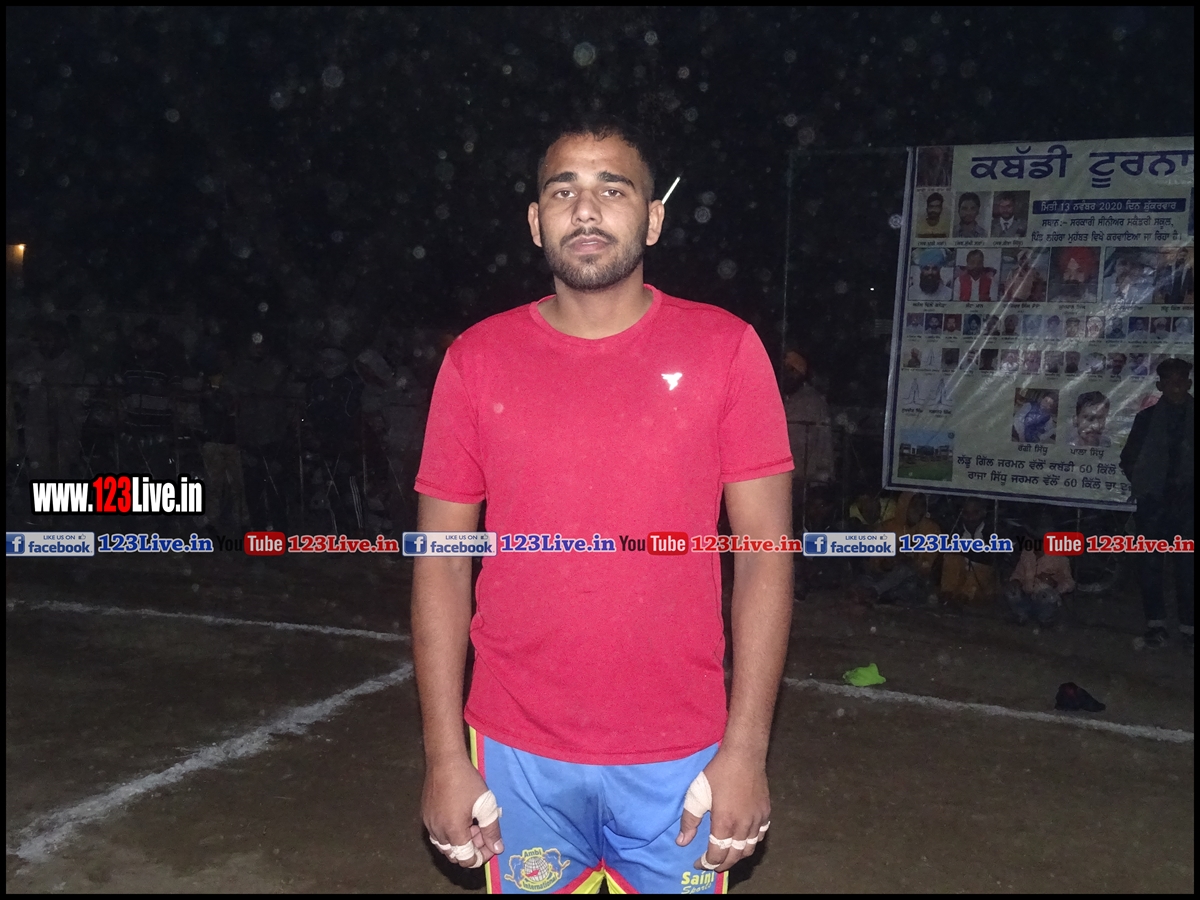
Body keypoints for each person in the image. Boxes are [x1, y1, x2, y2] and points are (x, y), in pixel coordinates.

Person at [414, 116, 793, 892]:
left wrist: (747, 749)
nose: (585, 209)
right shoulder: (475, 360)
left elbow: (765, 558)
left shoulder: (725, 350)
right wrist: (444, 755)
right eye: (564, 191)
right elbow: (441, 565)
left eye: (612, 190)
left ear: (653, 219)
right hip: (516, 749)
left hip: (681, 749)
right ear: (535, 221)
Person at [1119, 358, 1194, 650]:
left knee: (1188, 568)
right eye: (1170, 381)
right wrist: (1147, 488)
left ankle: (1189, 628)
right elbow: (1128, 459)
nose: (1176, 386)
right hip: (1154, 505)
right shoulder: (1147, 419)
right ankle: (1156, 626)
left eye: (1181, 380)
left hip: (1189, 505)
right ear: (1160, 385)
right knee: (1150, 566)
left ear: (1189, 383)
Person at [856, 492, 942, 606]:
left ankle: (875, 592)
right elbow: (874, 561)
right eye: (914, 505)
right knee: (863, 578)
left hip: (913, 578)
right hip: (886, 576)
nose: (918, 510)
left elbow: (926, 566)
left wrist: (909, 560)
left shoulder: (931, 529)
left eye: (922, 506)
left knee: (907, 579)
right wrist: (885, 564)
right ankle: (881, 593)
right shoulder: (887, 527)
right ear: (904, 505)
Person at [1005, 527, 1074, 625]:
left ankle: (1045, 618)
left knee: (1048, 595)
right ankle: (1021, 615)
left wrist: (1054, 583)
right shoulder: (1027, 553)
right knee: (1011, 590)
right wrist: (1015, 581)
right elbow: (1018, 573)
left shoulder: (1059, 558)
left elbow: (1070, 583)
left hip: (1044, 599)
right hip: (1026, 596)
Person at [940, 497, 1000, 608]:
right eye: (966, 513)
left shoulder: (993, 533)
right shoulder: (955, 532)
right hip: (956, 585)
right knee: (952, 558)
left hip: (981, 590)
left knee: (981, 567)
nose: (970, 518)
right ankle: (948, 595)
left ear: (983, 512)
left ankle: (964, 598)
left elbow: (992, 567)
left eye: (975, 513)